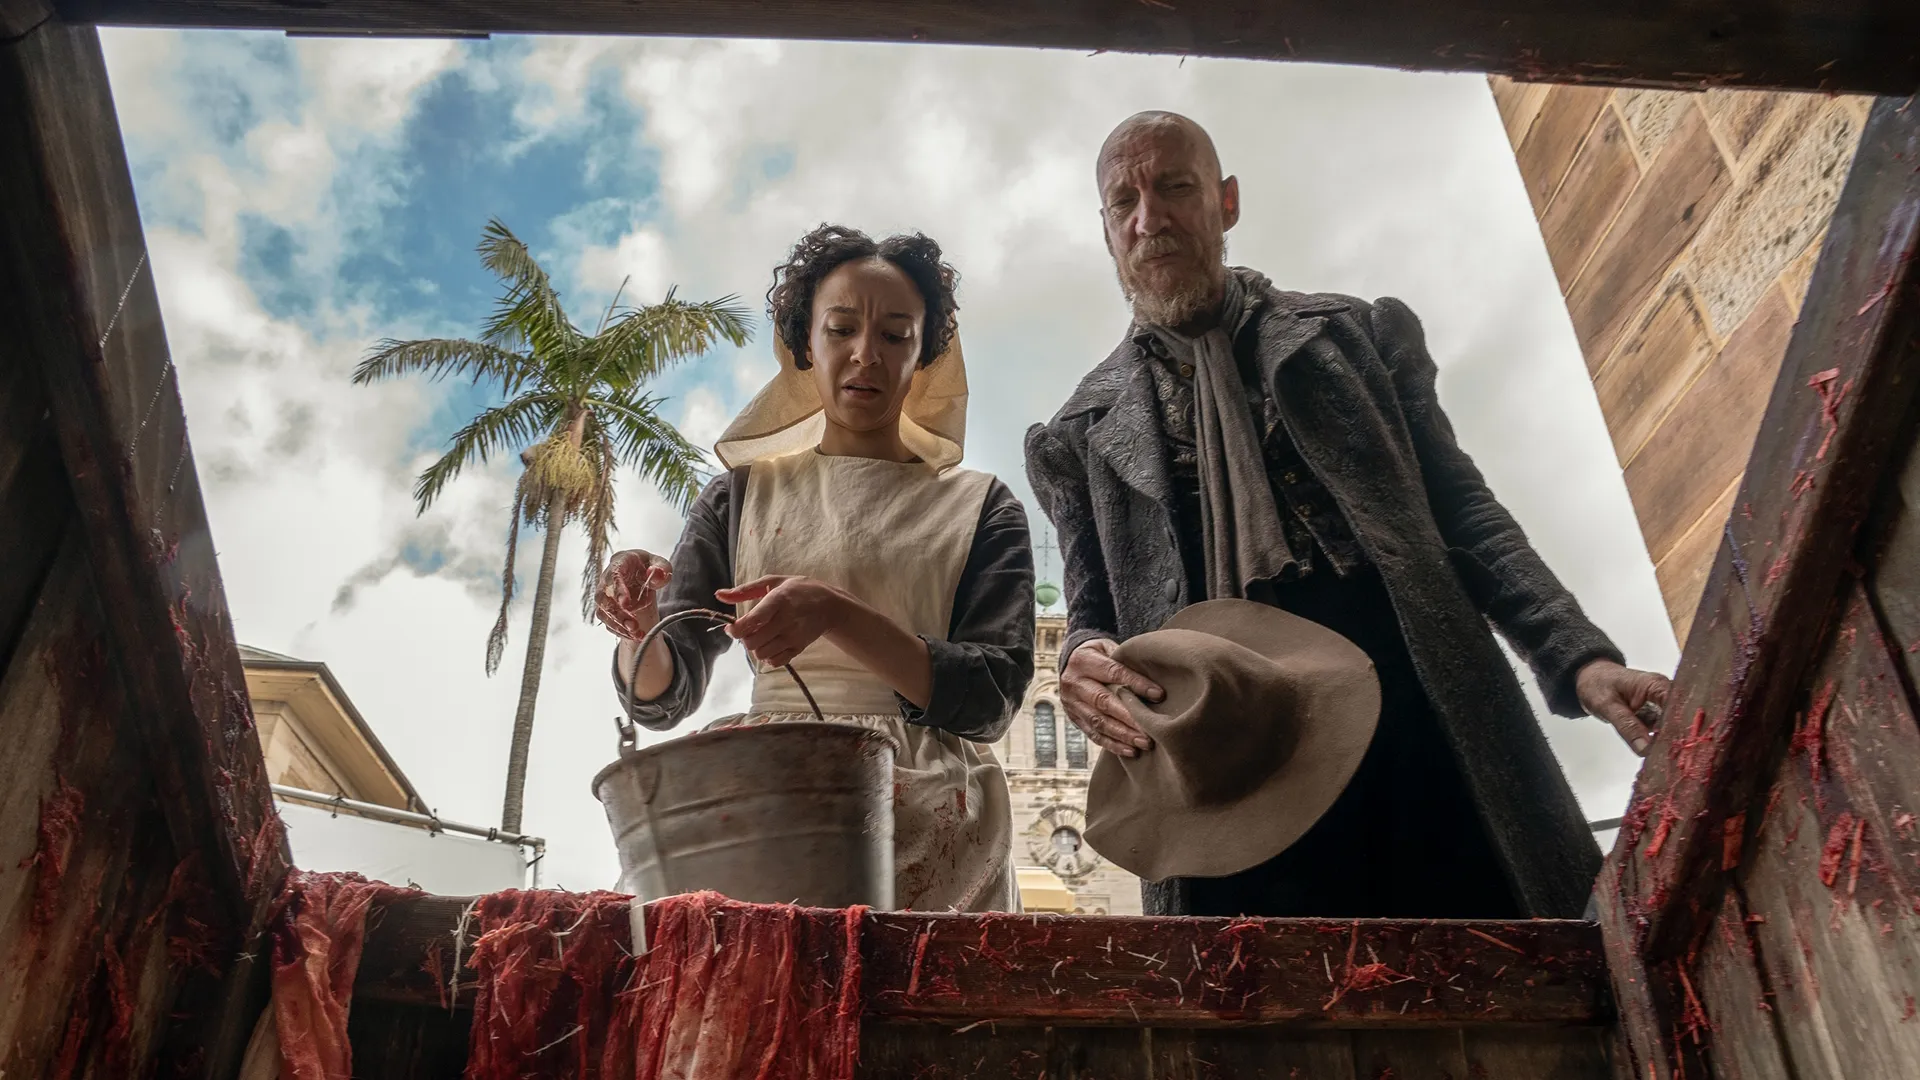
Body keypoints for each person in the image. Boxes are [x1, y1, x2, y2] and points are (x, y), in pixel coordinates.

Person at [1024, 111, 1672, 920]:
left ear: (1226, 203)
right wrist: (1081, 657)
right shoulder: (1081, 433)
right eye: (1124, 202)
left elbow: (1466, 518)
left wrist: (1580, 660)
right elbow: (1092, 613)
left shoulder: (1351, 339)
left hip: (1426, 741)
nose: (1149, 219)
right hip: (1230, 779)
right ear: (1108, 232)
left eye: (1175, 188)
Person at [598, 224, 1034, 913]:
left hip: (929, 810)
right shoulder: (740, 495)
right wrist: (639, 623)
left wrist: (835, 613)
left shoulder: (980, 507)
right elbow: (665, 692)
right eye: (841, 329)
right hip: (771, 800)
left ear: (924, 356)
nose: (867, 354)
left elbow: (990, 699)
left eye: (896, 335)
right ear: (806, 343)